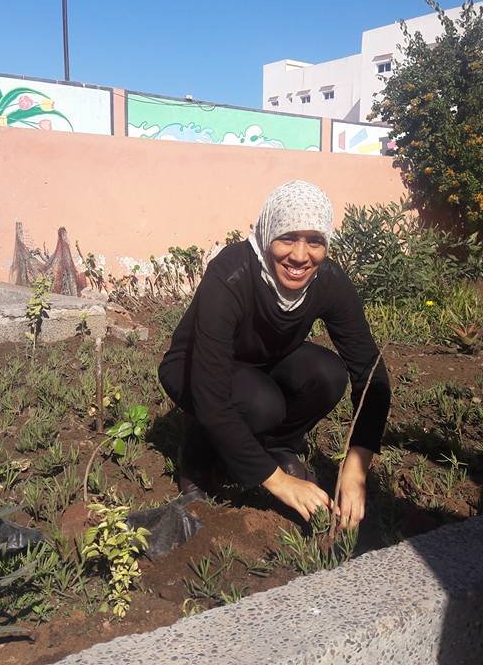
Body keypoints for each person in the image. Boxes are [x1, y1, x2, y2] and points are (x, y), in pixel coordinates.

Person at [158, 180, 390, 529]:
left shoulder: (328, 281)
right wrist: (278, 483)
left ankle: (271, 448)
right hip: (194, 369)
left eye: (315, 241)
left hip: (261, 360)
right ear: (267, 234)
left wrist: (356, 468)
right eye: (287, 238)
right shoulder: (231, 274)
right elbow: (211, 393)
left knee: (327, 375)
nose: (300, 256)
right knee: (261, 403)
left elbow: (369, 373)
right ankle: (198, 457)